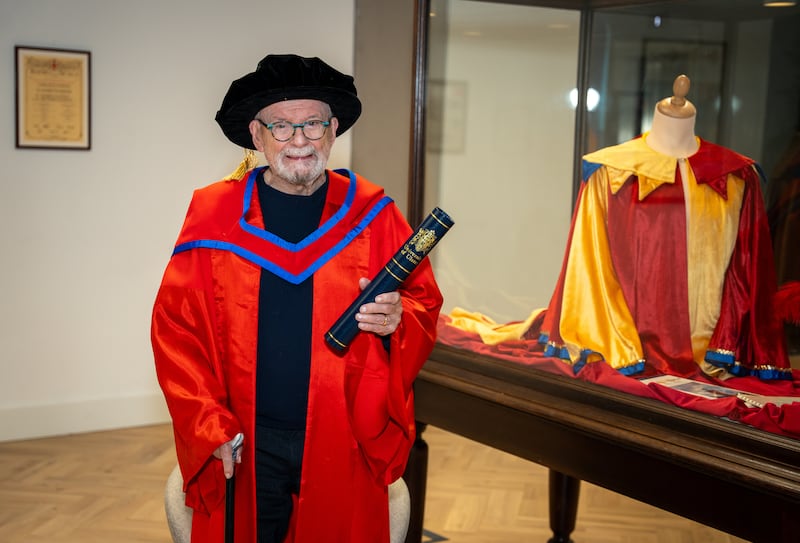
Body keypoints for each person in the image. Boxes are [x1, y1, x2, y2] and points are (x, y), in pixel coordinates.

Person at [151, 53, 443, 543]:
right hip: (246, 438)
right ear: (257, 135)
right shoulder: (215, 216)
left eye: (313, 123)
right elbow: (177, 333)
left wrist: (397, 321)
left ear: (333, 130)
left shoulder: (374, 216)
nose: (300, 140)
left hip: (342, 435)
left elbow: (422, 304)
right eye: (282, 127)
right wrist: (208, 425)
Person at [538, 74, 791, 380]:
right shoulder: (611, 174)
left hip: (713, 358)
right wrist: (616, 345)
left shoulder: (738, 177)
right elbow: (590, 265)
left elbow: (748, 268)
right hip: (629, 351)